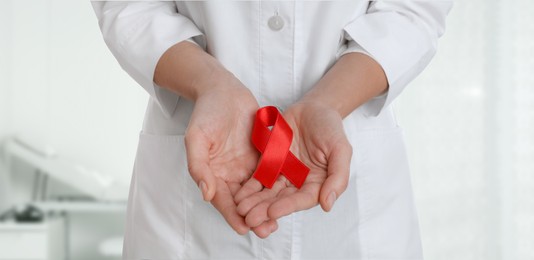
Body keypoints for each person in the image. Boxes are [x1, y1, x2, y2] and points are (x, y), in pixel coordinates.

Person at [92, 1, 452, 259]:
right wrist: (209, 83)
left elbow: (414, 10)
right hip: (192, 211)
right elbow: (129, 7)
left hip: (354, 205)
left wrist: (328, 102)